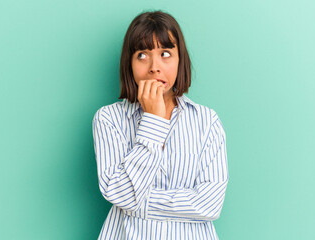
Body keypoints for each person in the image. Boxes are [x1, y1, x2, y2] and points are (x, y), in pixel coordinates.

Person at [92, 10, 229, 240]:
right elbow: (120, 194)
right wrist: (153, 120)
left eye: (165, 53)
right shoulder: (108, 119)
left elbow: (210, 205)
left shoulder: (207, 121)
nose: (155, 67)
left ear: (179, 60)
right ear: (130, 63)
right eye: (142, 55)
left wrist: (137, 204)